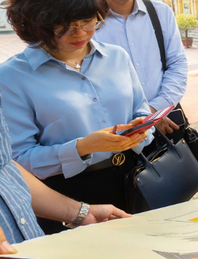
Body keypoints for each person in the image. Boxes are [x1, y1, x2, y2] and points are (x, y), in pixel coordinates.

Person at [0, 0, 153, 234]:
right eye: (66, 27)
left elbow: (139, 110)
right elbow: (17, 161)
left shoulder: (116, 57)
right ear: (36, 22)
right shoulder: (12, 78)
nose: (80, 33)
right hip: (66, 197)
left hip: (136, 179)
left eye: (89, 22)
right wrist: (82, 147)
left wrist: (140, 130)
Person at [87, 0, 188, 135]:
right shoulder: (85, 22)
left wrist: (152, 113)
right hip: (115, 132)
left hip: (165, 120)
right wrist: (138, 123)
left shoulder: (160, 13)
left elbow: (177, 65)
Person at [0, 105, 129, 254]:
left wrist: (82, 213)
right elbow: (23, 156)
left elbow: (5, 167)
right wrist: (82, 147)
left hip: (34, 246)